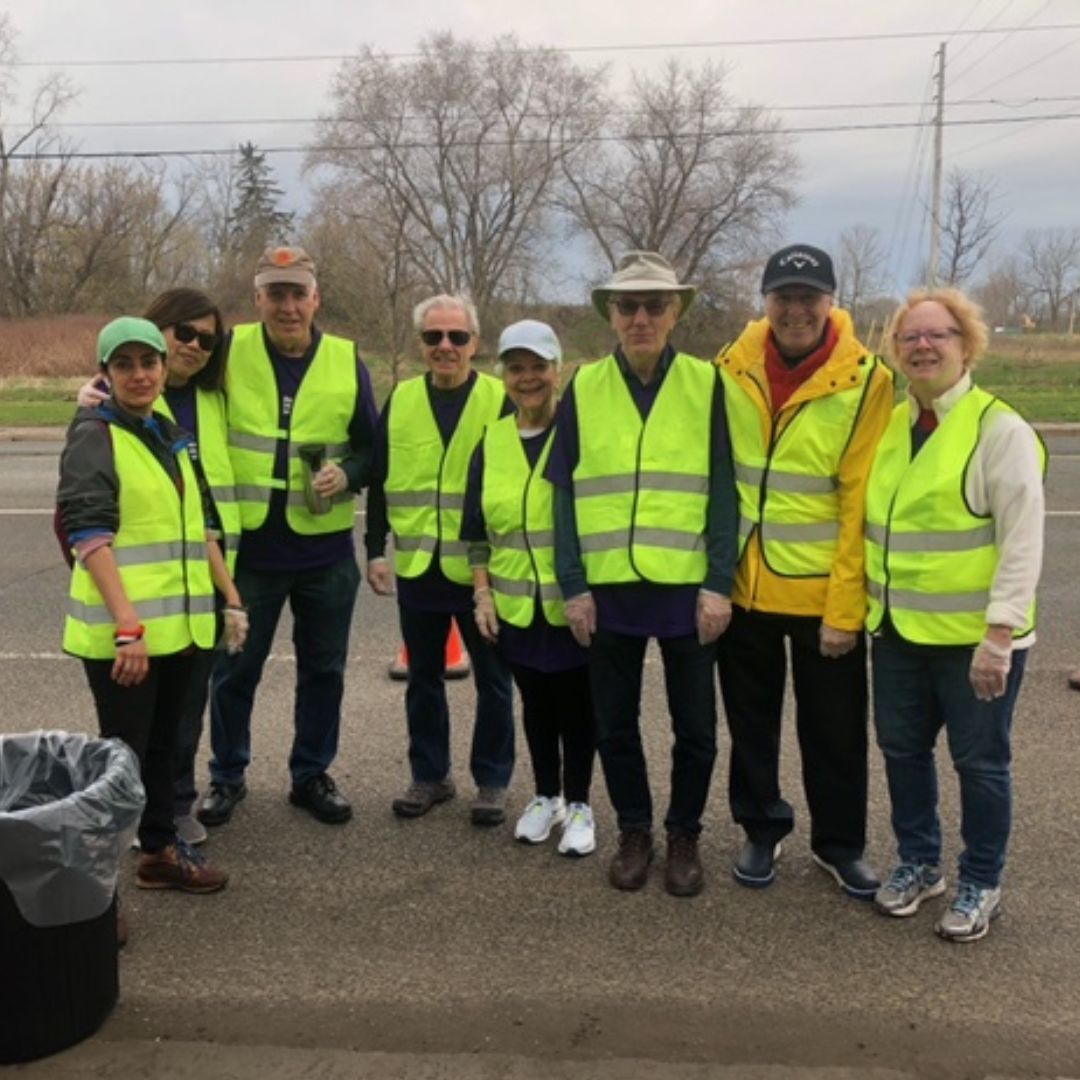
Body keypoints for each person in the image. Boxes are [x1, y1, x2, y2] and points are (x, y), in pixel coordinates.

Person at [546, 251, 738, 897]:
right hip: (608, 594)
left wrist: (719, 582)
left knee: (698, 731)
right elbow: (563, 496)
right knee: (614, 726)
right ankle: (635, 831)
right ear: (610, 315)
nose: (640, 317)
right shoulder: (583, 386)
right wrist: (573, 586)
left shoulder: (708, 386)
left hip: (687, 592)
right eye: (627, 306)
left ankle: (684, 834)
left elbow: (723, 492)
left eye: (654, 305)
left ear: (676, 310)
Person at [867, 287, 1045, 943]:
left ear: (967, 344)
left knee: (980, 763)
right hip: (898, 632)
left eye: (938, 334)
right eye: (910, 337)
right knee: (903, 751)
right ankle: (919, 861)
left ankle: (981, 878)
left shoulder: (1000, 430)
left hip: (976, 640)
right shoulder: (889, 424)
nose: (923, 346)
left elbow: (1023, 541)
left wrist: (1000, 636)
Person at [715, 243, 893, 898]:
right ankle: (762, 828)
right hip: (745, 591)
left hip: (824, 600)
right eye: (783, 296)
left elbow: (859, 503)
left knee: (836, 734)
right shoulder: (729, 369)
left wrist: (846, 611)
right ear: (765, 302)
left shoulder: (867, 380)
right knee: (751, 725)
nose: (796, 310)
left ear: (830, 303)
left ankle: (840, 845)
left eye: (808, 297)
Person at [58, 317, 244, 896]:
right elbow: (89, 536)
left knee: (165, 752)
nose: (140, 375)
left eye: (149, 363)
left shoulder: (165, 429)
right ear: (106, 373)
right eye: (125, 365)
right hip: (130, 638)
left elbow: (202, 525)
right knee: (122, 767)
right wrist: (127, 629)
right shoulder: (95, 433)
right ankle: (94, 895)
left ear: (165, 368)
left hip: (182, 630)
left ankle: (160, 851)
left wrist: (230, 599)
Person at [200, 246, 377, 828]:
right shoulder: (227, 351)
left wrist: (347, 473)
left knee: (323, 670)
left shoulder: (347, 361)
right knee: (234, 671)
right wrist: (98, 391)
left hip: (324, 553)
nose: (288, 305)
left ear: (316, 298)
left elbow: (373, 449)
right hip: (249, 552)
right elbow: (167, 383)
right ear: (258, 299)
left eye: (298, 293)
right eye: (275, 293)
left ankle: (310, 775)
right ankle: (226, 776)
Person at [366, 294, 515, 826]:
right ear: (421, 344)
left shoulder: (500, 399)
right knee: (423, 679)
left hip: (484, 573)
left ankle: (492, 780)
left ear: (476, 342)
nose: (445, 347)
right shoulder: (402, 400)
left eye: (457, 337)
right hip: (418, 568)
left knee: (495, 680)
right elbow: (382, 480)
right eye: (434, 338)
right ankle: (430, 776)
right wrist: (374, 549)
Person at [462, 320, 597, 855]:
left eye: (538, 367)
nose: (527, 378)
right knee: (536, 704)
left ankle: (582, 804)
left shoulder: (578, 434)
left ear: (556, 370)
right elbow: (477, 531)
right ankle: (547, 796)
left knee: (578, 707)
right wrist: (483, 593)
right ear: (503, 376)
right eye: (516, 368)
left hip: (572, 605)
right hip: (517, 606)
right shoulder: (492, 441)